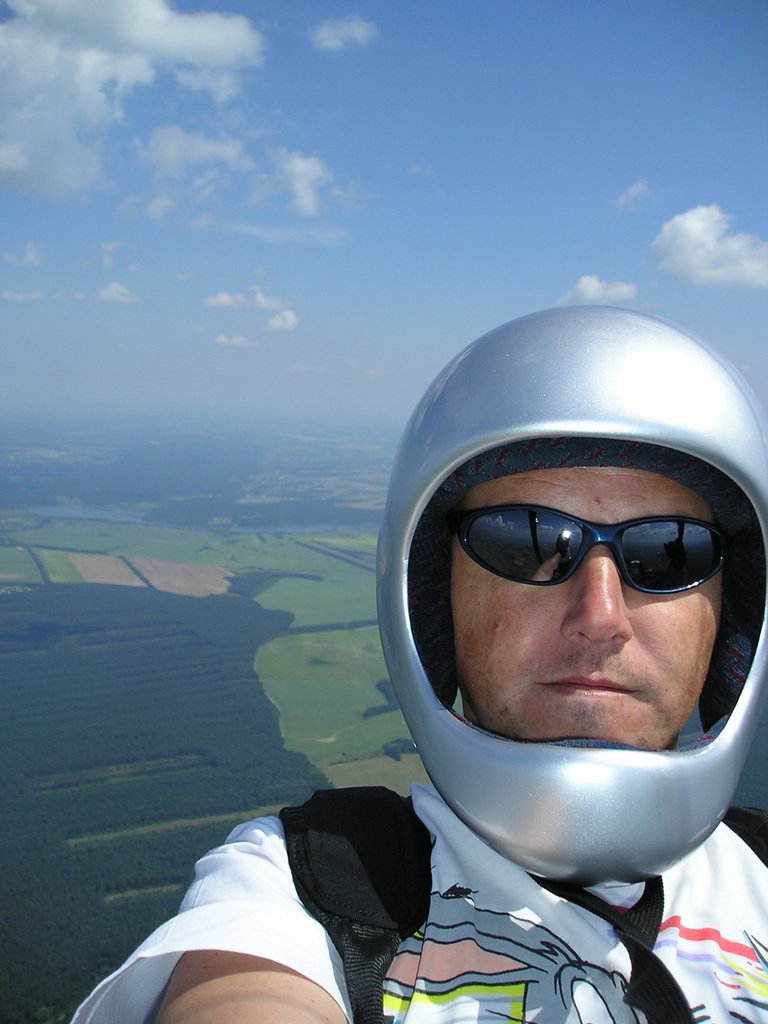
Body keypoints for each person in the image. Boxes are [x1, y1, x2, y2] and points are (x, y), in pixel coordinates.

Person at [71, 306, 768, 1024]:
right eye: (527, 543)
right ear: (437, 597)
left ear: (732, 610)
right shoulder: (316, 889)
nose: (600, 615)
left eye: (670, 553)